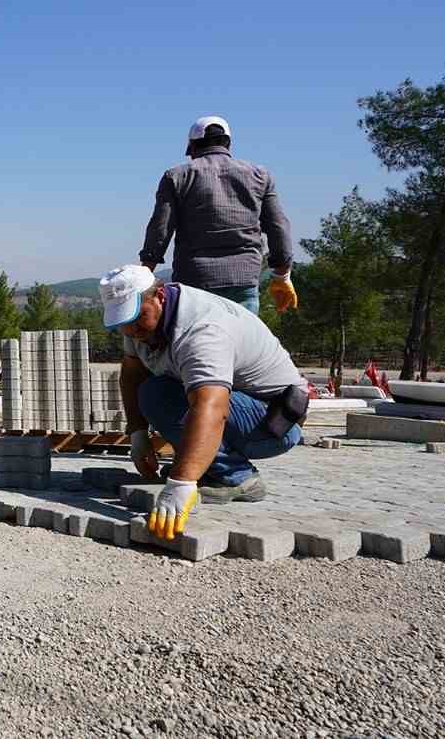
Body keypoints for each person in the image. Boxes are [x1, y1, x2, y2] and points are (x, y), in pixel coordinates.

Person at [100, 265, 309, 541]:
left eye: (139, 318)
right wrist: (138, 434)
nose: (132, 330)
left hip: (273, 422)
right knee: (154, 390)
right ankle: (212, 469)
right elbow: (132, 374)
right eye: (123, 322)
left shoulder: (201, 329)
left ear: (160, 295)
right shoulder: (138, 328)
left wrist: (181, 483)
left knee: (160, 395)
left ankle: (238, 477)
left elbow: (211, 407)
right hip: (241, 409)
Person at [138, 116, 299, 315]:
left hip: (195, 282)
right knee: (242, 343)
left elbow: (160, 230)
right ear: (228, 144)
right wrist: (282, 276)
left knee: (200, 344)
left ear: (193, 147)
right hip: (244, 279)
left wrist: (144, 274)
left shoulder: (177, 176)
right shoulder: (260, 175)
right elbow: (278, 227)